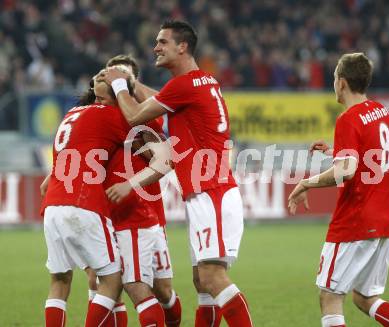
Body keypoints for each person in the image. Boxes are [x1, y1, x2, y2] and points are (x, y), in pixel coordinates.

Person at [102, 20, 252, 327]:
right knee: (201, 279)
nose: (155, 47)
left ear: (182, 46)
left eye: (162, 42)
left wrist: (119, 84)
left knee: (212, 276)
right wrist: (133, 82)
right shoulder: (202, 82)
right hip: (209, 193)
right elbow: (164, 99)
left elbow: (133, 115)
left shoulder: (183, 86)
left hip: (212, 193)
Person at [288, 53, 389, 327]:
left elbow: (348, 170)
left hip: (356, 221)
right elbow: (370, 157)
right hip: (384, 220)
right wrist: (335, 152)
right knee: (365, 297)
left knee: (330, 296)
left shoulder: (348, 119)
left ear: (341, 83)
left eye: (333, 78)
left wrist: (307, 182)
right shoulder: (381, 112)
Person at [85, 54, 182, 327]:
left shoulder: (143, 119)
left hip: (143, 214)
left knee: (160, 290)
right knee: (102, 282)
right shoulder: (95, 116)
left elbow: (165, 159)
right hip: (106, 214)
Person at [41, 78, 132, 327]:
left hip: (53, 205)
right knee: (113, 280)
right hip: (84, 203)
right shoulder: (109, 115)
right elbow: (143, 136)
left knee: (59, 281)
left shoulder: (72, 113)